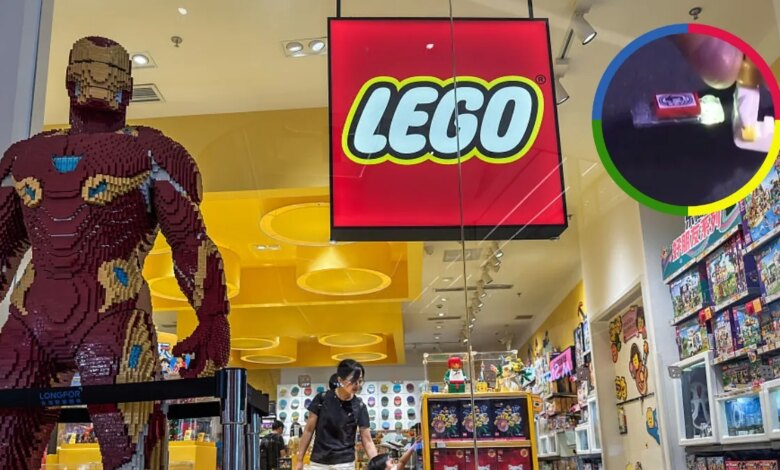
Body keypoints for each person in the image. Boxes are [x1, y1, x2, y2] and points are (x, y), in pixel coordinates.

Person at [296, 359, 377, 470]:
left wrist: (379, 464)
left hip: (345, 464)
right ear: (340, 380)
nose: (357, 384)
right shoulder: (322, 399)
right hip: (319, 463)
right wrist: (299, 460)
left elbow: (367, 441)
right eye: (352, 380)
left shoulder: (360, 406)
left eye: (360, 380)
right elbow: (308, 430)